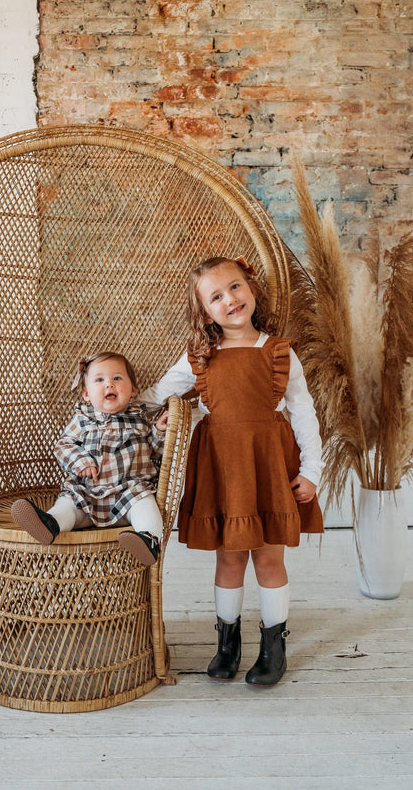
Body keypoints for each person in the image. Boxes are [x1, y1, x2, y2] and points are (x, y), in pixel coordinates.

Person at [139, 255, 324, 685]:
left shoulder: (279, 353)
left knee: (269, 559)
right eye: (216, 297)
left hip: (269, 469)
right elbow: (163, 396)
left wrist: (312, 469)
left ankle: (273, 646)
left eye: (235, 287)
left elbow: (304, 413)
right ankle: (227, 644)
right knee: (229, 559)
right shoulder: (199, 357)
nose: (230, 300)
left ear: (252, 290)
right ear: (206, 313)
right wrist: (149, 411)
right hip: (224, 471)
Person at [11, 351, 168, 566]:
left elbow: (154, 452)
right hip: (88, 494)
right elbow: (63, 445)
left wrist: (159, 431)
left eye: (117, 378)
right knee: (68, 504)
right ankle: (51, 523)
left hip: (130, 493)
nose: (109, 384)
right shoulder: (83, 419)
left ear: (133, 389)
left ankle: (148, 539)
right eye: (99, 380)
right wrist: (81, 462)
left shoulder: (140, 419)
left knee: (146, 505)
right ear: (86, 394)